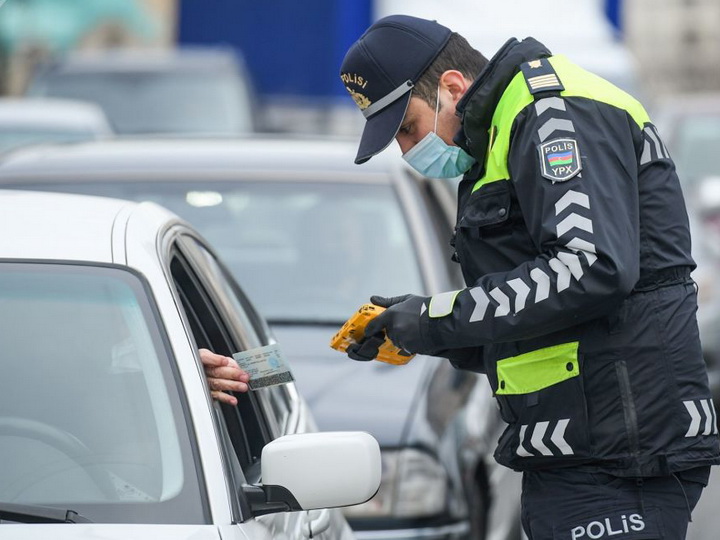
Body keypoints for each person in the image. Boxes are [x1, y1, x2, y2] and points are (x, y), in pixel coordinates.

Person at [339, 14, 720, 540]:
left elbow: (591, 268)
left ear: (452, 88)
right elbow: (535, 320)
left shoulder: (553, 114)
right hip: (578, 451)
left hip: (622, 454)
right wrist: (411, 324)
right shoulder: (496, 135)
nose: (406, 151)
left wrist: (433, 319)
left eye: (407, 127)